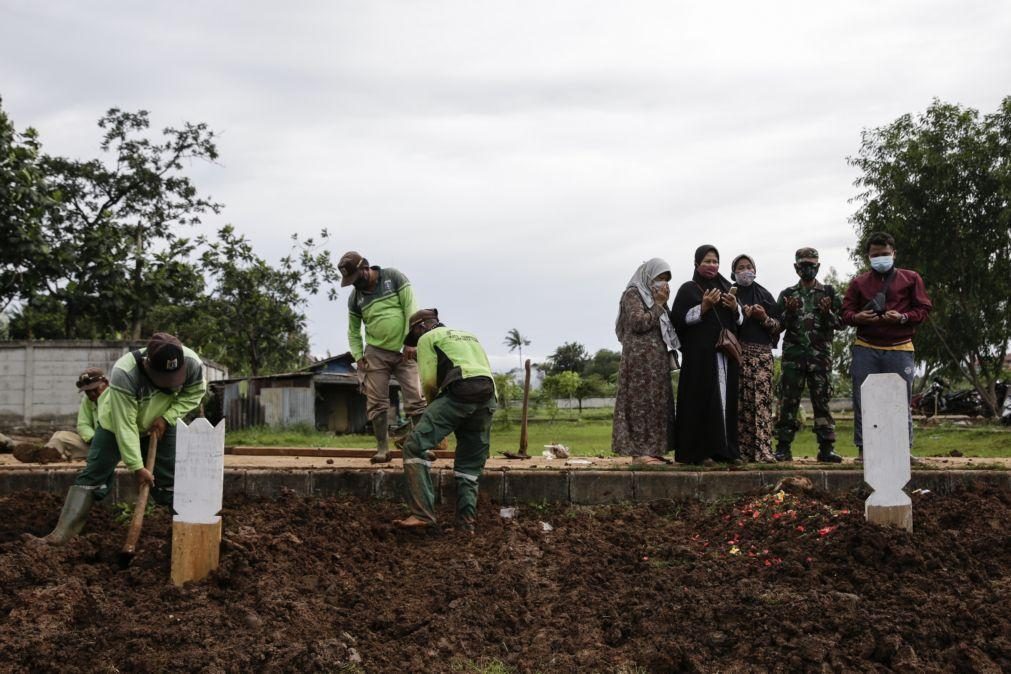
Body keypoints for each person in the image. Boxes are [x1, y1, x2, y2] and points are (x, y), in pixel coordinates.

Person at [37, 333, 206, 545]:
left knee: (170, 479)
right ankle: (61, 537)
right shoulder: (125, 372)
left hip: (161, 423)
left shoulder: (192, 363)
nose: (168, 382)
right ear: (147, 363)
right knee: (94, 476)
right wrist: (137, 467)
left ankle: (187, 536)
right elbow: (125, 426)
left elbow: (194, 393)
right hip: (114, 427)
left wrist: (168, 416)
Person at [394, 309, 496, 533]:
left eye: (414, 336)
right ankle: (466, 525)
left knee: (413, 447)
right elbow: (485, 370)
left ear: (420, 327)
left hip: (460, 390)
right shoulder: (469, 336)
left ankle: (423, 514)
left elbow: (429, 381)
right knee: (469, 466)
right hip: (488, 397)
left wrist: (432, 411)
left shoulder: (427, 338)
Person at [842, 231, 932, 462]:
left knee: (901, 401)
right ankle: (863, 450)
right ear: (868, 257)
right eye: (875, 255)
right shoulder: (858, 282)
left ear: (894, 253)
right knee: (863, 399)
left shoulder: (911, 278)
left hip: (900, 347)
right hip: (866, 347)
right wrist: (858, 317)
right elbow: (845, 313)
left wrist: (902, 317)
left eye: (884, 254)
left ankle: (904, 450)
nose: (880, 258)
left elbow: (923, 309)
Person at [340, 250, 427, 463]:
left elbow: (411, 309)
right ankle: (382, 449)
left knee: (416, 399)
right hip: (376, 352)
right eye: (349, 281)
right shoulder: (355, 298)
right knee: (377, 401)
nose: (354, 284)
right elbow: (353, 330)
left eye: (355, 278)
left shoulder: (393, 277)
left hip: (405, 348)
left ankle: (421, 448)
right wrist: (359, 355)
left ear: (365, 268)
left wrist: (411, 341)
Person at [671, 245, 742, 465]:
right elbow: (678, 321)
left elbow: (739, 321)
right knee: (700, 400)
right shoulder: (688, 290)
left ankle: (725, 451)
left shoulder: (727, 288)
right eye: (707, 261)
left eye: (715, 261)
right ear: (696, 263)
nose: (712, 266)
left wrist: (735, 308)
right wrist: (703, 306)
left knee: (724, 403)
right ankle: (698, 453)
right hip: (699, 359)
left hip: (724, 357)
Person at [773, 248, 843, 463]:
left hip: (820, 358)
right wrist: (790, 313)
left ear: (818, 266)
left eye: (812, 265)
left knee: (821, 402)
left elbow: (842, 323)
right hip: (793, 358)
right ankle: (783, 447)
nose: (808, 269)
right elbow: (776, 326)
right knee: (788, 403)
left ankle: (826, 448)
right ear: (796, 267)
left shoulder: (829, 293)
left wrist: (827, 314)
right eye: (803, 265)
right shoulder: (787, 294)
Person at [611, 258, 678, 464]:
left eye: (666, 279)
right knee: (639, 404)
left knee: (656, 403)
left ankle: (654, 450)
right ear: (648, 275)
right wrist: (658, 305)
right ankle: (639, 454)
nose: (663, 283)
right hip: (638, 361)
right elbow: (638, 323)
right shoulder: (633, 294)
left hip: (657, 361)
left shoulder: (656, 299)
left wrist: (661, 304)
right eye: (660, 277)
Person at [731, 255, 781, 463]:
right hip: (736, 354)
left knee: (761, 403)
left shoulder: (764, 294)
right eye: (740, 268)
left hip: (761, 355)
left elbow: (778, 327)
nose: (745, 271)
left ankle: (763, 451)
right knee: (740, 403)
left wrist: (763, 318)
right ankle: (740, 452)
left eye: (748, 267)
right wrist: (738, 314)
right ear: (733, 272)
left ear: (755, 269)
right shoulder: (730, 293)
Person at [43, 368, 109, 461]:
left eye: (94, 389)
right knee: (60, 436)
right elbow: (83, 424)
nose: (92, 394)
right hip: (95, 446)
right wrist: (94, 439)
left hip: (117, 449)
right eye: (87, 391)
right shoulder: (88, 400)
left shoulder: (117, 398)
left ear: (105, 383)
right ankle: (42, 456)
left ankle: (66, 456)